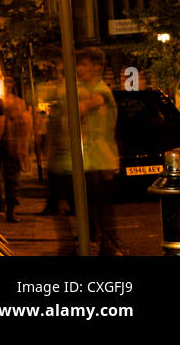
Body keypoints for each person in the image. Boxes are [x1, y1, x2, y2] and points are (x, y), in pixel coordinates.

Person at [46, 48, 124, 254]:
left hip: (100, 161)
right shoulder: (80, 88)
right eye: (79, 65)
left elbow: (77, 110)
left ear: (97, 67)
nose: (80, 69)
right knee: (86, 211)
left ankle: (109, 248)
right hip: (82, 161)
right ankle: (97, 244)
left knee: (100, 212)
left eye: (85, 64)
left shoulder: (101, 91)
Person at [0, 78, 32, 222]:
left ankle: (10, 208)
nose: (7, 85)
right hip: (0, 144)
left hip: (12, 145)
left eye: (9, 83)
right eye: (5, 83)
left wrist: (23, 149)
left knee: (10, 179)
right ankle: (1, 207)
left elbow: (24, 126)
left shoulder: (18, 102)